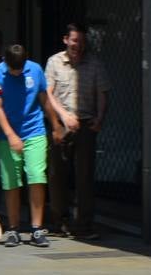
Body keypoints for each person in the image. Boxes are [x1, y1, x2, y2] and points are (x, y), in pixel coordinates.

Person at [45, 22, 109, 240]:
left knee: (84, 177)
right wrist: (62, 117)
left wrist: (100, 118)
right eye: (74, 41)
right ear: (66, 40)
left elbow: (102, 93)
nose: (78, 45)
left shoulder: (95, 64)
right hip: (61, 124)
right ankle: (59, 222)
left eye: (81, 41)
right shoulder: (54, 62)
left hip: (86, 123)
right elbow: (48, 94)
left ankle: (84, 225)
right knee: (57, 175)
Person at [0, 43, 52, 248]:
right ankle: (13, 228)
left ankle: (36, 228)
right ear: (5, 62)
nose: (16, 72)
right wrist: (10, 135)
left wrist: (56, 124)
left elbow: (44, 98)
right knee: (11, 182)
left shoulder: (35, 69)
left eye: (19, 68)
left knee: (36, 176)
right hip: (7, 136)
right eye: (12, 69)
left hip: (34, 131)